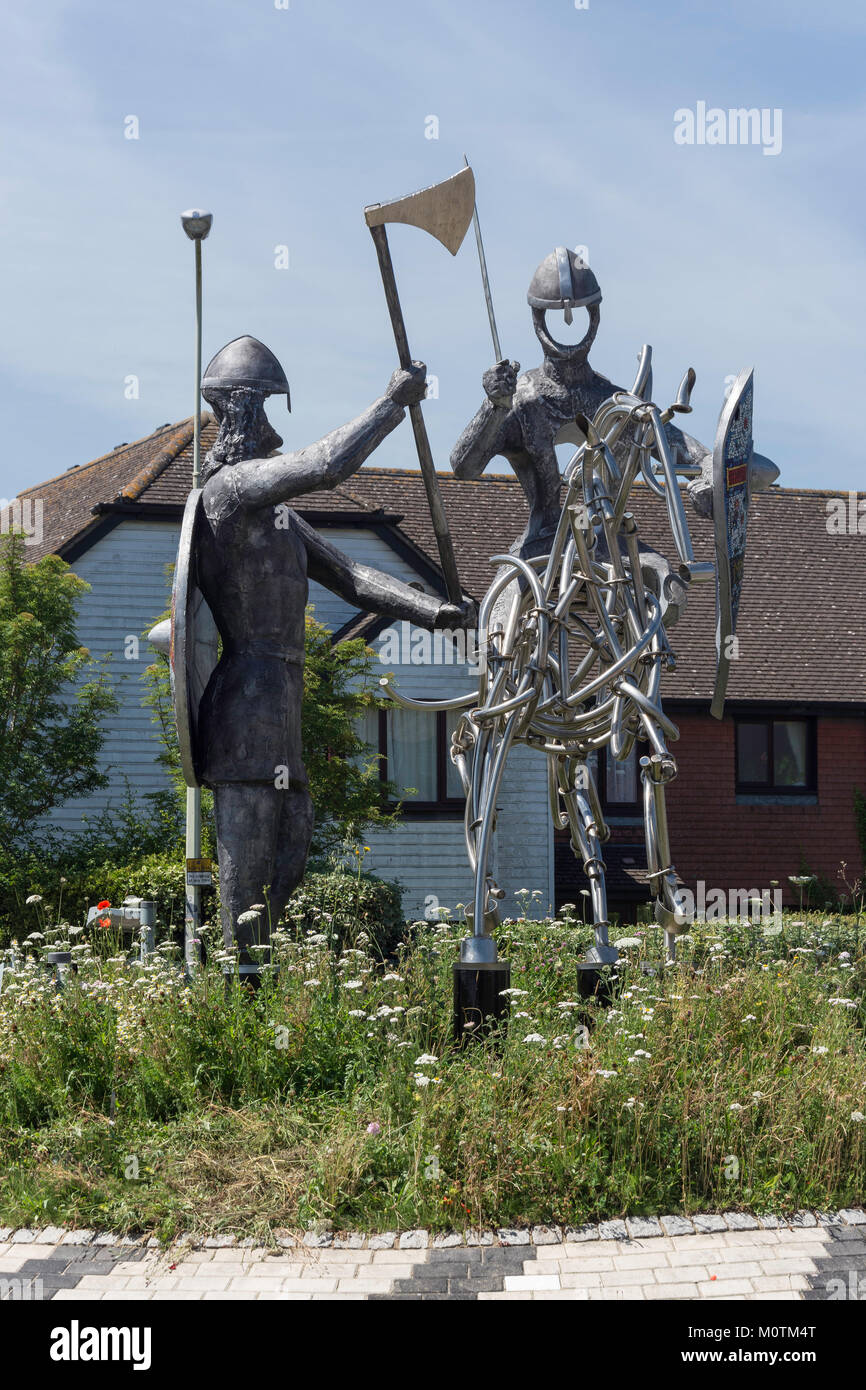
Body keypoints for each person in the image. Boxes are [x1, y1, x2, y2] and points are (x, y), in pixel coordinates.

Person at [193, 335, 474, 970]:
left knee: (292, 855)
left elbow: (352, 577)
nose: (271, 428)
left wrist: (435, 611)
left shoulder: (284, 520)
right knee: (246, 877)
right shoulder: (229, 496)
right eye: (262, 408)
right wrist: (390, 405)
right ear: (236, 413)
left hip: (284, 701)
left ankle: (252, 981)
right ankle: (240, 1005)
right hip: (244, 701)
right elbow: (327, 465)